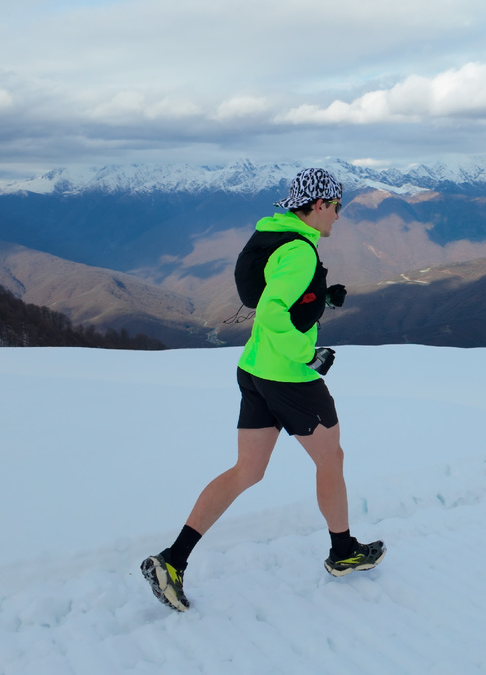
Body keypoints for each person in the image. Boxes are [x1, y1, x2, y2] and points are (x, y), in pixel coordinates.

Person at [141, 168, 385, 612]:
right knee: (332, 457)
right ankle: (343, 551)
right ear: (316, 206)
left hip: (254, 370)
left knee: (247, 471)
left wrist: (320, 298)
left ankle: (172, 561)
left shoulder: (278, 237)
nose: (338, 216)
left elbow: (281, 294)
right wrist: (307, 356)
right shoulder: (300, 252)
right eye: (336, 207)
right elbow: (272, 311)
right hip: (288, 378)